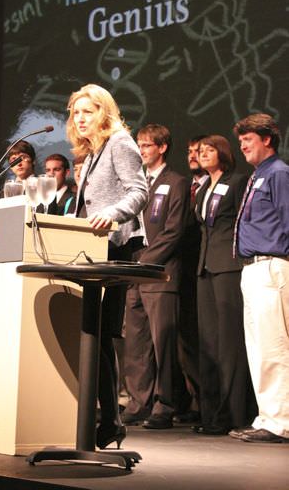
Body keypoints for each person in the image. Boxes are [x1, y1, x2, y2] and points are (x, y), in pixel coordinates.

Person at [67, 83, 147, 449]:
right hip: (93, 248)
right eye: (76, 113)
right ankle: (108, 418)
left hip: (115, 248)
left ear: (104, 111)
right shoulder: (95, 151)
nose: (80, 119)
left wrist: (110, 215)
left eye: (87, 111)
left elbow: (139, 191)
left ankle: (110, 417)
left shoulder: (120, 143)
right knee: (94, 335)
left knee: (99, 333)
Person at [123, 124, 189, 429]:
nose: (141, 151)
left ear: (162, 148)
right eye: (139, 145)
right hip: (134, 267)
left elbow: (174, 231)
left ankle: (166, 403)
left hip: (159, 270)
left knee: (163, 341)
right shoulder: (134, 184)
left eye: (147, 145)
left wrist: (148, 262)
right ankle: (138, 403)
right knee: (136, 340)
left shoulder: (175, 182)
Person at [230, 114, 289, 443]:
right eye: (240, 140)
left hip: (272, 266)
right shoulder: (258, 175)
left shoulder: (279, 173)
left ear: (267, 139)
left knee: (275, 346)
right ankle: (269, 416)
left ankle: (280, 422)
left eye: (248, 139)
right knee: (259, 348)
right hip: (252, 269)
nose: (242, 145)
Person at [193, 135, 253, 435]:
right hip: (204, 268)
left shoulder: (238, 180)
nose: (203, 153)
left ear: (223, 153)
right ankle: (210, 415)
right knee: (209, 344)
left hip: (228, 267)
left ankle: (233, 414)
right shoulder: (203, 186)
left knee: (230, 343)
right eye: (200, 150)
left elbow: (245, 221)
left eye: (209, 149)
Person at [174, 135, 208, 423]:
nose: (193, 156)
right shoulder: (185, 186)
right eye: (189, 151)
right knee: (183, 339)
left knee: (202, 338)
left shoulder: (217, 184)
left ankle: (206, 403)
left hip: (206, 269)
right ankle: (191, 400)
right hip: (182, 271)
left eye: (198, 151)